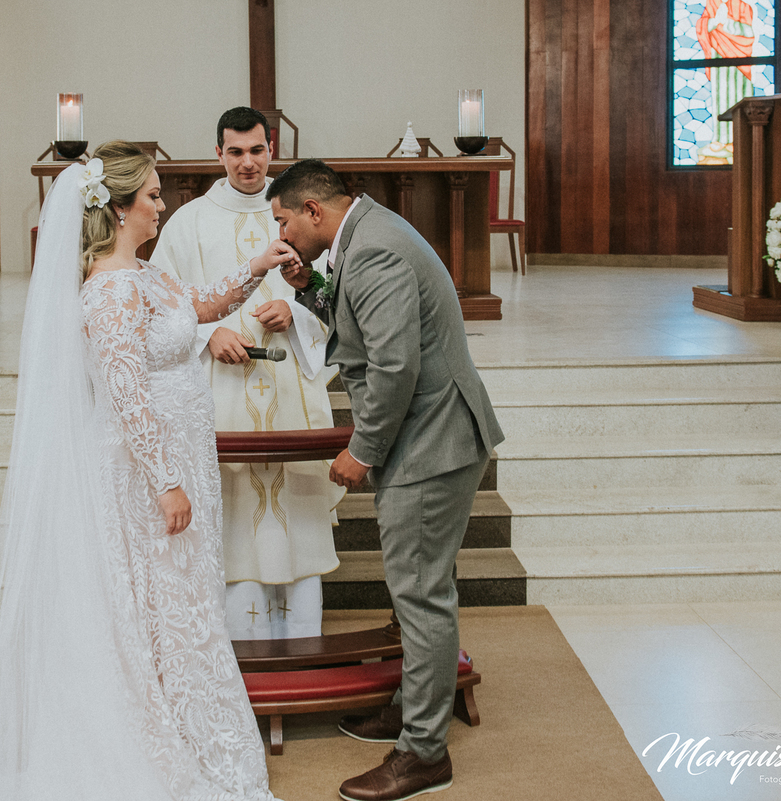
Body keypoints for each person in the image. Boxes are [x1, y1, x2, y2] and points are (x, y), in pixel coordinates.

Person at [0, 142, 295, 801]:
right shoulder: (109, 291)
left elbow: (200, 306)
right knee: (160, 606)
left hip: (178, 462)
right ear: (120, 208)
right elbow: (126, 390)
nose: (161, 205)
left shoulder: (146, 275)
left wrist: (256, 266)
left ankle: (188, 734)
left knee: (179, 605)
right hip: (143, 475)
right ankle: (163, 749)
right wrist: (165, 481)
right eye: (152, 195)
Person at [269, 159, 504, 801]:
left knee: (420, 594)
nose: (282, 234)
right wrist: (310, 287)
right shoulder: (368, 231)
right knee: (418, 590)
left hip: (430, 442)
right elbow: (365, 321)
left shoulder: (373, 249)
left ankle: (424, 754)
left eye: (284, 221)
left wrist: (362, 450)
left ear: (312, 210)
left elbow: (394, 365)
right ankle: (411, 709)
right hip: (432, 433)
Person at [153, 107, 343, 640]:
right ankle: (244, 650)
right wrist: (206, 336)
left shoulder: (300, 213)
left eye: (257, 150)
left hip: (290, 389)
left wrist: (298, 313)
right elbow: (161, 305)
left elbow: (336, 296)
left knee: (295, 510)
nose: (247, 163)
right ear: (218, 153)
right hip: (222, 393)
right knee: (235, 515)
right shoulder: (189, 221)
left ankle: (302, 644)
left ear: (271, 149)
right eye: (235, 152)